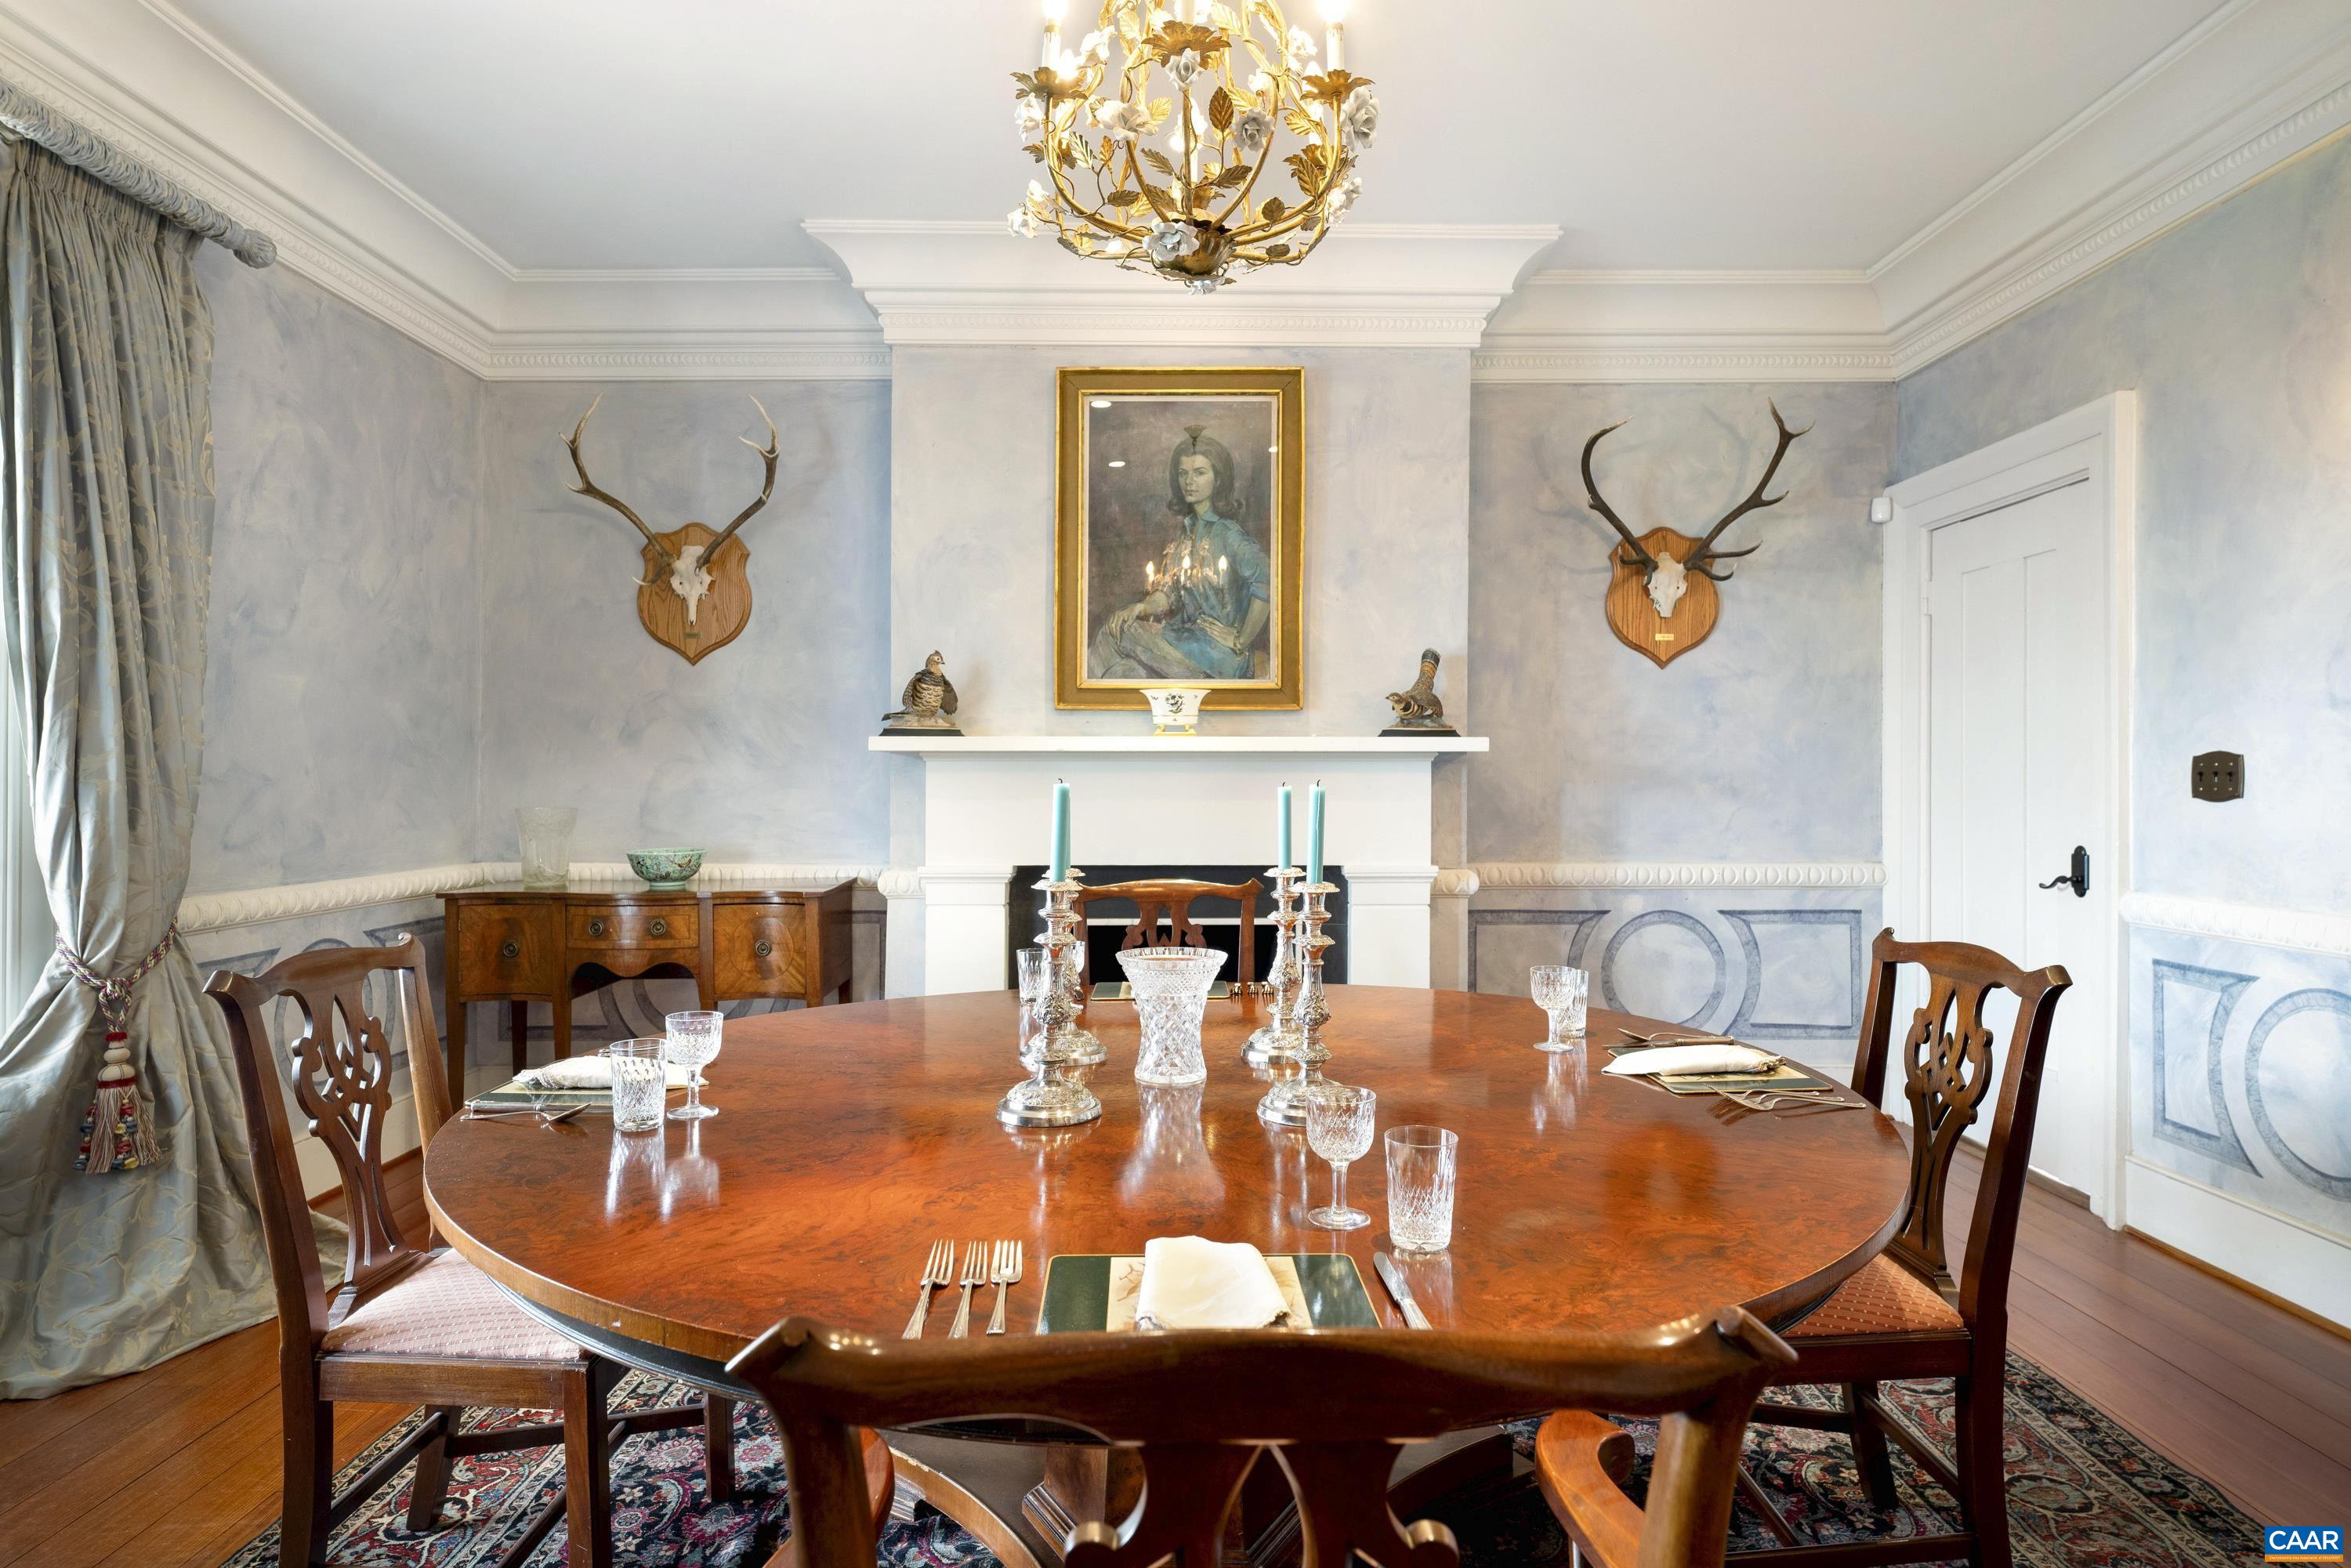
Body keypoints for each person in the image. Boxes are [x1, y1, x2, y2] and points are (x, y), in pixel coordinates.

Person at [1089, 425, 1271, 681]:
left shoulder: (1230, 535)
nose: (1189, 481)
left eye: (1200, 473)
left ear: (1218, 479)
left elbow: (1269, 582)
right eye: (1183, 473)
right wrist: (1140, 607)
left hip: (1219, 655)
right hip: (1184, 644)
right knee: (1122, 673)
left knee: (1115, 632)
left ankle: (1082, 690)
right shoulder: (1185, 532)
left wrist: (1241, 639)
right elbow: (1168, 593)